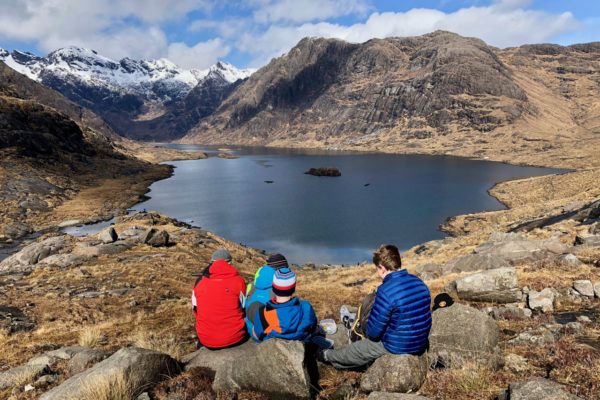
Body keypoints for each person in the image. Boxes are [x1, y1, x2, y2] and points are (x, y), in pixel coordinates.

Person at [321, 244, 432, 369]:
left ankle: (327, 355)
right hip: (420, 342)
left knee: (358, 349)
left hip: (399, 345)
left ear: (382, 268)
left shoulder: (385, 291)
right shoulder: (419, 282)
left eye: (377, 269)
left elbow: (373, 333)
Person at [192, 249, 247, 349]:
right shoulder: (239, 281)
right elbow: (243, 307)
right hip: (236, 338)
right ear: (230, 263)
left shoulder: (199, 282)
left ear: (212, 263)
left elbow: (195, 310)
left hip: (206, 340)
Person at [250, 267, 319, 343]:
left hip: (273, 350)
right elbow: (312, 327)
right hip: (301, 347)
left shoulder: (262, 313)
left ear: (273, 287)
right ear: (293, 288)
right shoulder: (306, 307)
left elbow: (257, 335)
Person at [245, 253, 289, 333]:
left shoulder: (251, 285)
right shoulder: (278, 290)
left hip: (250, 329)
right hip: (267, 335)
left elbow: (246, 305)